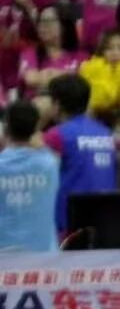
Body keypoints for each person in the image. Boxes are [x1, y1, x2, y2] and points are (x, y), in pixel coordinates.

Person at [42, 73, 117, 235]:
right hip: (105, 223)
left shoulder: (56, 135)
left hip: (68, 227)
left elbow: (43, 180)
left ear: (57, 104)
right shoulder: (105, 133)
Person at [0, 99, 59, 251]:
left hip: (4, 258)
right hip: (46, 258)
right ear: (36, 128)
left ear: (5, 127)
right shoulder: (51, 164)